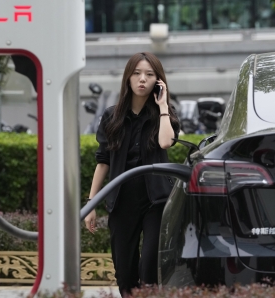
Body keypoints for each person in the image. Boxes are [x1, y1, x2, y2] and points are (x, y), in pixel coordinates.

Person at [84, 52, 180, 296]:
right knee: (125, 272)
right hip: (121, 199)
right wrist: (91, 203)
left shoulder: (164, 113)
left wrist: (162, 107)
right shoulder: (111, 116)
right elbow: (103, 161)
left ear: (158, 81)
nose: (142, 80)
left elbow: (166, 143)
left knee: (149, 268)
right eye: (136, 73)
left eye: (149, 75)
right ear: (127, 78)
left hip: (155, 201)